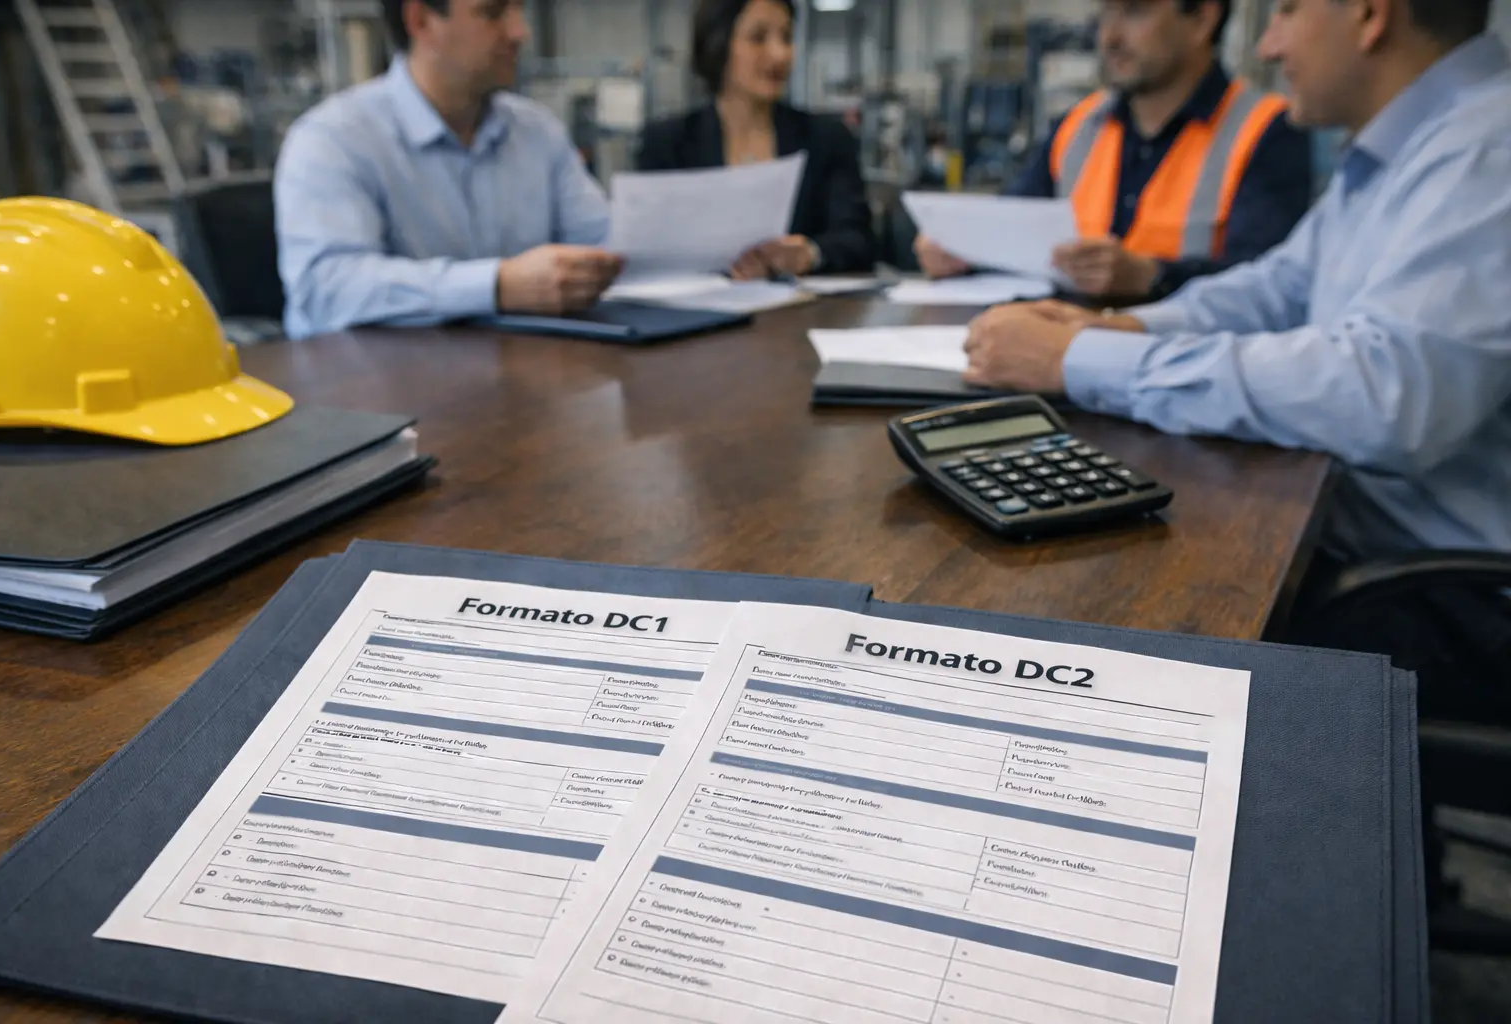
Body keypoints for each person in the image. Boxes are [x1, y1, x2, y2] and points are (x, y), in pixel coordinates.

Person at [962, 0, 1511, 712]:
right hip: (1383, 553)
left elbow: (1385, 395)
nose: (1271, 45)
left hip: (1450, 601)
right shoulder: (1407, 147)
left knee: (1113, 641)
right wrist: (1122, 329)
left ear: (1371, 16)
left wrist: (1081, 363)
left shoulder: (1486, 151)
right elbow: (1278, 288)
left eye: (1285, 11)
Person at [917, 0, 1313, 301]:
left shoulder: (1266, 131)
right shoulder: (1078, 126)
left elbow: (1270, 289)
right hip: (1059, 354)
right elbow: (1011, 227)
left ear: (1202, 19)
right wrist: (958, 247)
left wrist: (1151, 277)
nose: (1109, 38)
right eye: (1107, 12)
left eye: (1135, 11)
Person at [275, 0, 623, 340]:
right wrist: (497, 286)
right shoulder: (333, 139)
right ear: (421, 21)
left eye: (520, 11)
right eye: (493, 12)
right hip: (368, 386)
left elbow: (605, 244)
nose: (520, 32)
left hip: (515, 375)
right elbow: (327, 291)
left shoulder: (537, 133)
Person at [637, 0, 875, 279]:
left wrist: (809, 253)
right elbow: (648, 248)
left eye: (786, 38)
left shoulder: (827, 139)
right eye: (758, 38)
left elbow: (860, 241)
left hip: (802, 315)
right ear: (718, 44)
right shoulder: (668, 142)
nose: (779, 54)